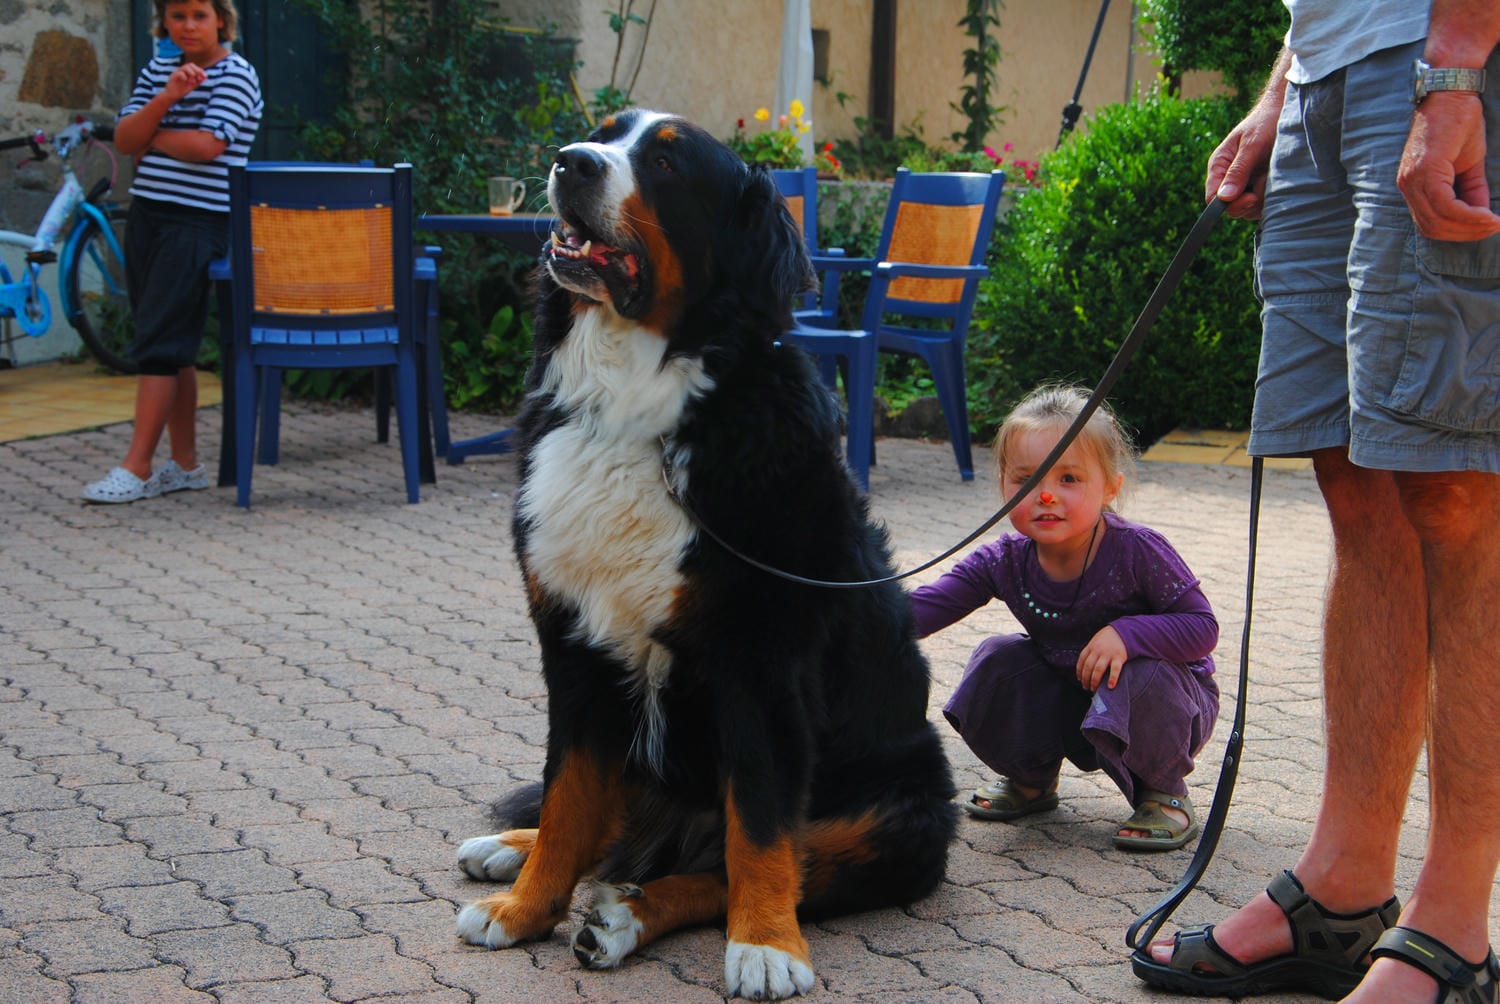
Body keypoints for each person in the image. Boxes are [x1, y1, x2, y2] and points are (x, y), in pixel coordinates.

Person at [1134, 1, 1500, 1001]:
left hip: (1442, 57)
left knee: (1457, 488)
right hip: (1330, 72)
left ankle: (1457, 922)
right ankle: (1343, 888)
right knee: (1355, 476)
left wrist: (1463, 55)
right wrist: (1283, 84)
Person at [909, 385, 1220, 852]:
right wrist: (845, 621)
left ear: (1110, 487)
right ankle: (1031, 779)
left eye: (1069, 479)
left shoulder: (1137, 550)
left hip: (1162, 707)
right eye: (1026, 480)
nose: (1046, 496)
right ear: (1003, 486)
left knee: (1141, 671)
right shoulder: (1005, 558)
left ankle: (1164, 792)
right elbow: (924, 609)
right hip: (1071, 697)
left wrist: (1128, 633)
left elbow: (1203, 628)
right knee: (999, 656)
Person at [81, 0, 262, 503]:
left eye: (199, 15)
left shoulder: (237, 75)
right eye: (178, 16)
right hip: (149, 216)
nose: (188, 26)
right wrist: (168, 98)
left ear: (221, 20)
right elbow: (123, 139)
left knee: (158, 345)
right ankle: (184, 465)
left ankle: (135, 468)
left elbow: (207, 148)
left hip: (198, 223)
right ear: (165, 22)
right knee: (167, 339)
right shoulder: (159, 70)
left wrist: (151, 136)